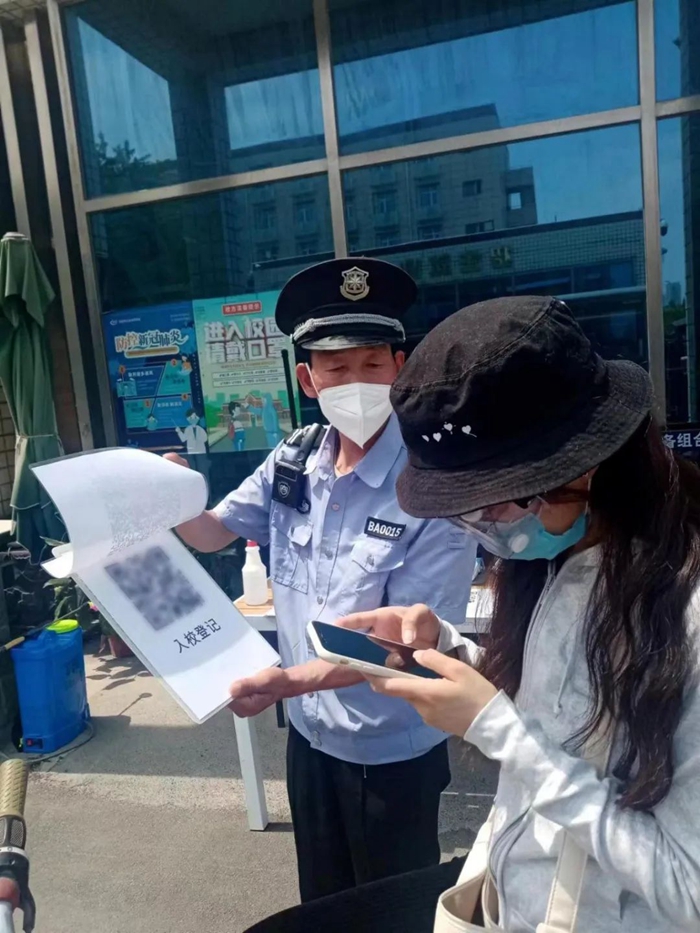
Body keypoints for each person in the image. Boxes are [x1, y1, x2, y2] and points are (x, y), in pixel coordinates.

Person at [245, 294, 700, 932]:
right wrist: (447, 650)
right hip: (504, 894)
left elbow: (687, 889)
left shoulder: (683, 611)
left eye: (500, 503)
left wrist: (497, 730)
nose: (488, 528)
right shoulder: (561, 558)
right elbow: (565, 703)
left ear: (590, 465)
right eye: (468, 511)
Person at [166, 258, 476, 903]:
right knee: (323, 899)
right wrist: (165, 498)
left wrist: (284, 682)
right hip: (309, 734)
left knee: (391, 907)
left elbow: (407, 647)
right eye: (335, 368)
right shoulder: (295, 458)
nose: (354, 382)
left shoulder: (430, 484)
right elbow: (212, 533)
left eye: (371, 364)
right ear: (308, 379)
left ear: (400, 369)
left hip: (389, 748)